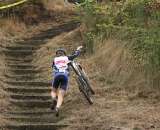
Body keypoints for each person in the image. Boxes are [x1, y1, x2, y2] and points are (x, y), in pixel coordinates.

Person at [51, 46, 83, 116]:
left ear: (57, 54)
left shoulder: (54, 59)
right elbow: (75, 55)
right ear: (64, 53)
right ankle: (57, 107)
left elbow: (53, 67)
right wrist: (78, 49)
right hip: (64, 76)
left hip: (57, 76)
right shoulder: (66, 58)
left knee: (53, 91)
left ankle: (53, 99)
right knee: (61, 95)